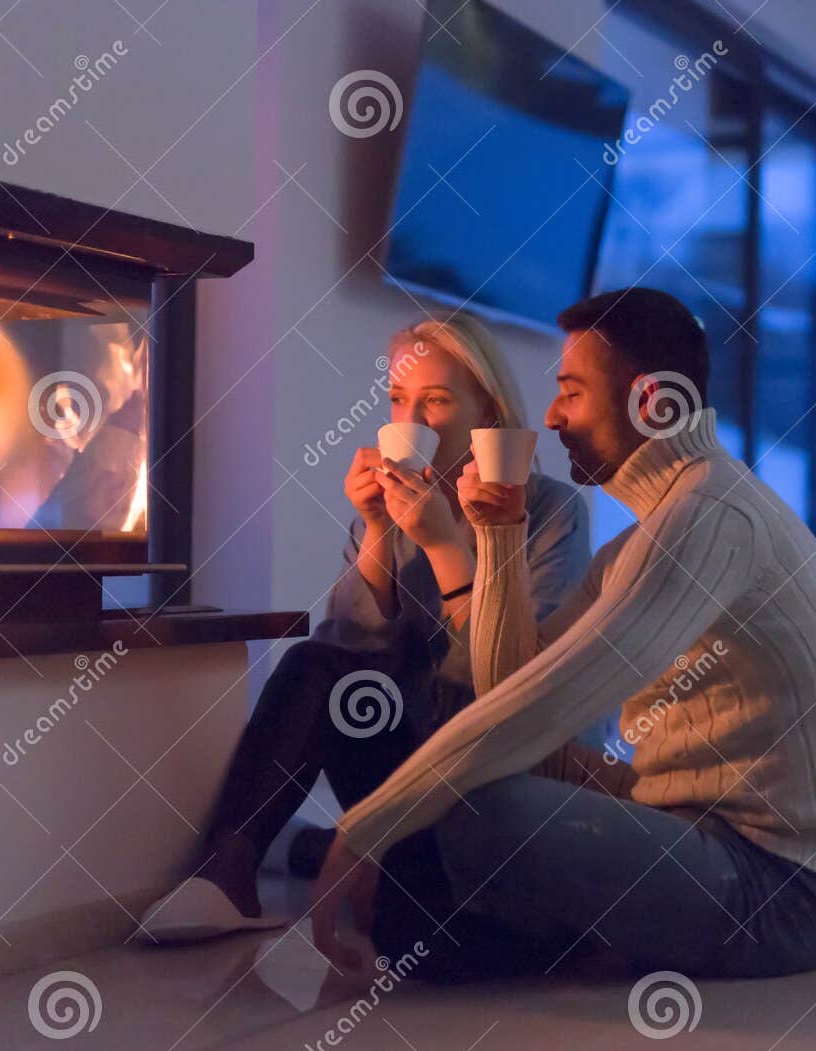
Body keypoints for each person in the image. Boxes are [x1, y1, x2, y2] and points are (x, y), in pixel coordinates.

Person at [310, 288, 816, 982]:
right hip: (685, 819)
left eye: (573, 393)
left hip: (781, 891)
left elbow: (543, 706)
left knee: (482, 806)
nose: (551, 417)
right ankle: (445, 915)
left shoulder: (708, 519)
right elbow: (508, 682)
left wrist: (362, 830)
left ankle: (462, 923)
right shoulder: (657, 527)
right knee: (472, 770)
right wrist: (498, 531)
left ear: (651, 403)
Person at [139, 314, 590, 940]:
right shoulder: (394, 507)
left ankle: (314, 850)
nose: (410, 423)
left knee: (412, 925)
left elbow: (512, 685)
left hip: (489, 772)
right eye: (398, 400)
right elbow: (342, 657)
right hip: (396, 759)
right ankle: (228, 875)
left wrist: (441, 545)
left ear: (488, 410)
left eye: (435, 400)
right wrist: (379, 531)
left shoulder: (550, 511)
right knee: (308, 663)